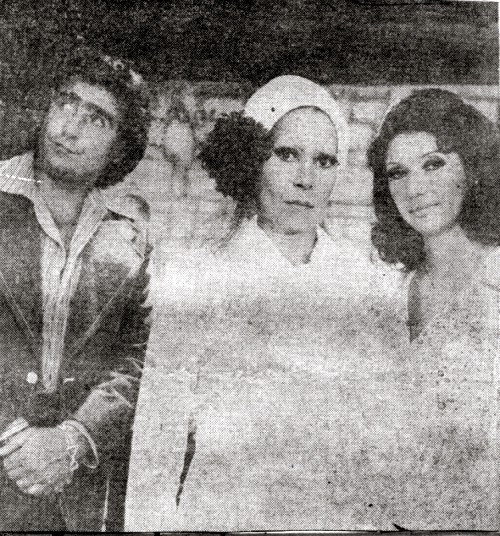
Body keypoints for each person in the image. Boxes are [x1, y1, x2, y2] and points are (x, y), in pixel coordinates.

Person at [126, 75, 404, 531]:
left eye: (324, 161)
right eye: (287, 155)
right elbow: (158, 442)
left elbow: (383, 443)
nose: (305, 179)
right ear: (252, 160)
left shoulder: (364, 284)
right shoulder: (200, 276)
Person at [0, 46, 152, 531]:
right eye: (65, 104)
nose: (69, 129)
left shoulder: (130, 238)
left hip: (77, 493)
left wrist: (74, 438)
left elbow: (138, 357)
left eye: (96, 119)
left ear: (120, 146)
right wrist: (14, 440)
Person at [368, 88, 500, 529]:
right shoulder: (389, 294)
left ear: (473, 169)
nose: (414, 189)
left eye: (433, 164)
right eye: (397, 173)